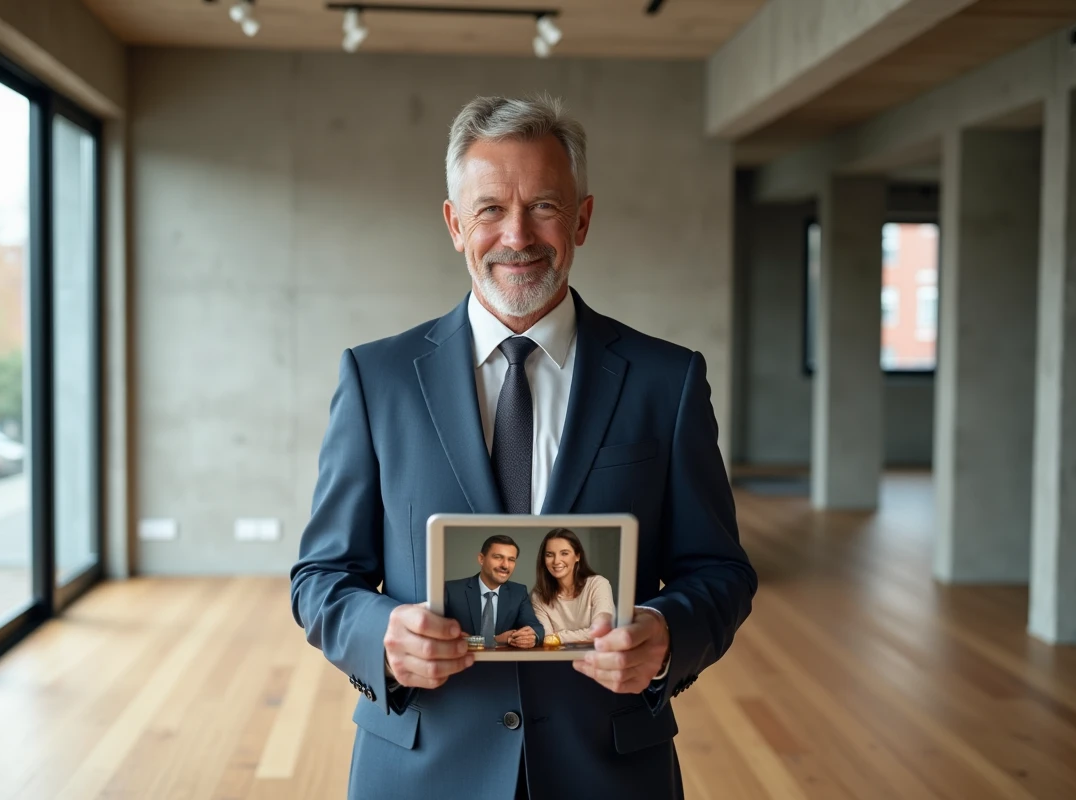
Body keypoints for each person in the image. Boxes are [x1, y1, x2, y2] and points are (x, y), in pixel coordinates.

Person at [290, 93, 756, 800]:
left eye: (543, 205)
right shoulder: (375, 378)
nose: (518, 235)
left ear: (582, 219)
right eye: (489, 210)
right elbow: (319, 578)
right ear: (454, 224)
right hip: (420, 768)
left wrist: (666, 635)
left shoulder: (669, 380)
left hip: (608, 770)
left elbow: (720, 571)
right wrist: (381, 632)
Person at [443, 534, 543, 648]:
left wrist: (532, 636)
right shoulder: (451, 590)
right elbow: (439, 634)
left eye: (511, 559)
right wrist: (494, 640)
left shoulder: (518, 592)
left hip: (502, 664)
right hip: (461, 662)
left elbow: (536, 627)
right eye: (498, 557)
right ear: (481, 559)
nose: (505, 565)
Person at [531, 528, 615, 643]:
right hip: (557, 659)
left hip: (595, 658)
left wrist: (558, 637)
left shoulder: (598, 584)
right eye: (550, 554)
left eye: (564, 553)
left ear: (577, 556)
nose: (556, 561)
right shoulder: (538, 596)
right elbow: (547, 640)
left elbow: (601, 631)